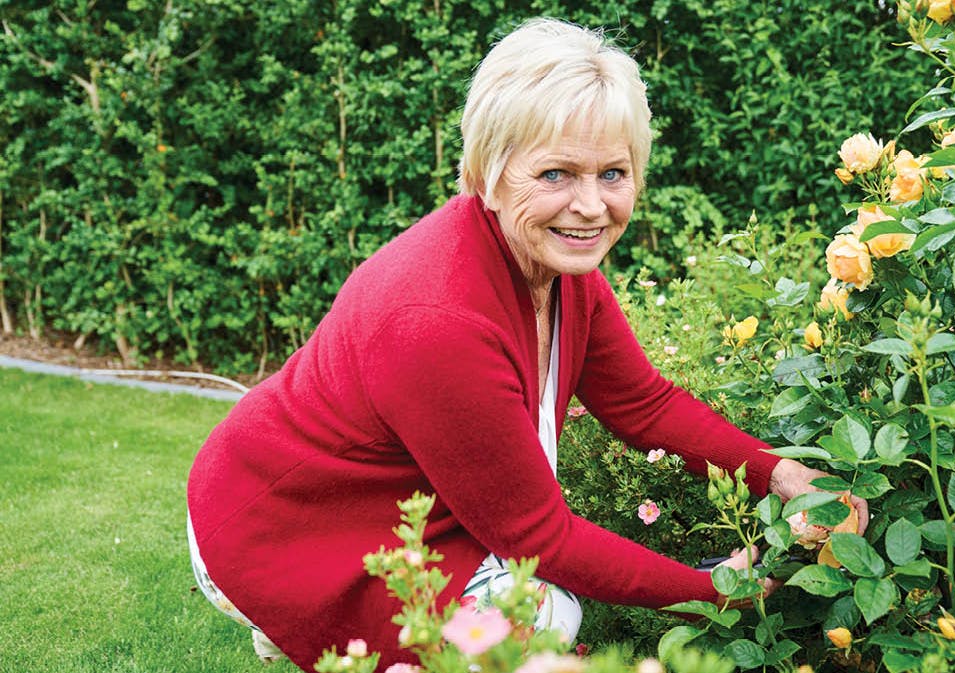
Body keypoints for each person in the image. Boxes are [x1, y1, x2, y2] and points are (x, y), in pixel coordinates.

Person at [186, 17, 868, 671]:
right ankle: (283, 616)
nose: (592, 205)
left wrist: (779, 472)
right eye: (555, 175)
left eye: (613, 173)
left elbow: (643, 405)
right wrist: (715, 589)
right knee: (536, 619)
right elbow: (538, 539)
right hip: (277, 528)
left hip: (377, 504)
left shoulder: (559, 271)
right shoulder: (439, 319)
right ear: (488, 170)